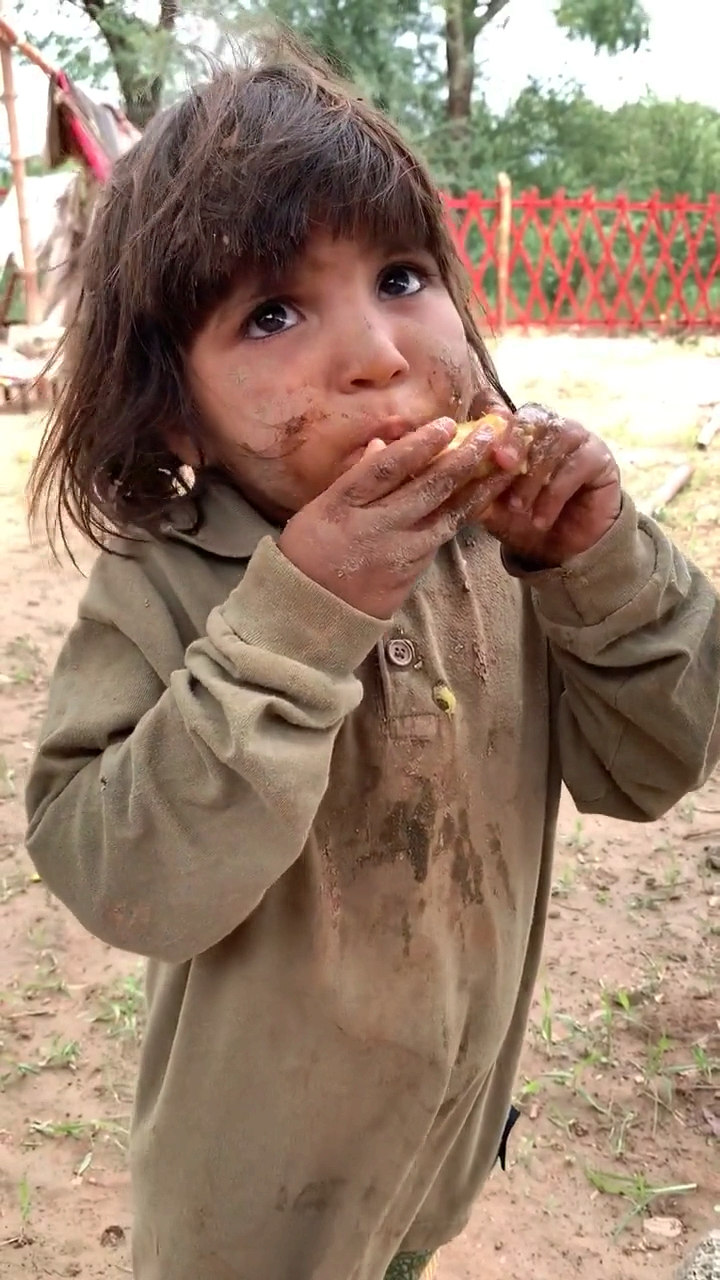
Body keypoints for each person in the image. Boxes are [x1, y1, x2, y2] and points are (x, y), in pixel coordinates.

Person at [24, 34, 720, 1280]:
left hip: (438, 1148)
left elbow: (654, 764)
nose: (377, 354)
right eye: (274, 311)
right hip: (249, 1211)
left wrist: (600, 568)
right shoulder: (168, 579)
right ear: (175, 405)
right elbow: (118, 876)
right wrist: (300, 617)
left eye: (401, 276)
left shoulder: (510, 556)